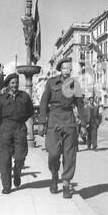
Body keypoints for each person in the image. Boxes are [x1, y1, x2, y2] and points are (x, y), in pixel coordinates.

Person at [38, 57, 87, 198]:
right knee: (53, 153)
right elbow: (43, 103)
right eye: (65, 68)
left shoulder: (74, 84)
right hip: (54, 118)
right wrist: (42, 122)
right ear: (60, 69)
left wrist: (83, 124)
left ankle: (66, 183)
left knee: (70, 154)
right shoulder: (51, 82)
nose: (67, 71)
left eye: (69, 68)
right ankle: (54, 175)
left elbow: (80, 105)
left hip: (69, 120)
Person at [0, 73, 34, 194]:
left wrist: (21, 120)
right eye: (12, 83)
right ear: (8, 85)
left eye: (16, 82)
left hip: (20, 128)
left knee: (20, 155)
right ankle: (6, 186)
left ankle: (17, 171)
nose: (15, 85)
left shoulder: (24, 96)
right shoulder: (1, 99)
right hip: (5, 129)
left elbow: (30, 111)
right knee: (5, 159)